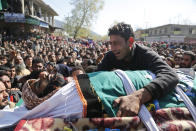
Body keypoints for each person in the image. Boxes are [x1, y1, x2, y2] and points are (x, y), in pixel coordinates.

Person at [97, 22, 179, 117]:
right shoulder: (110, 56)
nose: (113, 48)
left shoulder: (146, 54)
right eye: (111, 43)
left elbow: (170, 75)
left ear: (130, 41)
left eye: (116, 43)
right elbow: (97, 77)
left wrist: (138, 97)